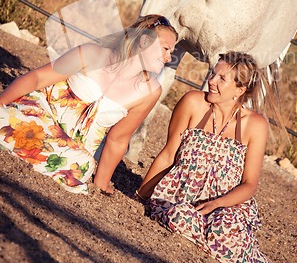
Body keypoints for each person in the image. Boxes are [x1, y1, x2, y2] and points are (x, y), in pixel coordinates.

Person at [136, 51, 290, 263]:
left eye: (221, 79)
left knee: (223, 229)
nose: (211, 81)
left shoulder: (255, 125)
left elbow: (249, 184)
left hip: (227, 202)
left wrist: (218, 204)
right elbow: (168, 153)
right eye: (213, 74)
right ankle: (242, 254)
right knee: (180, 218)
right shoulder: (193, 103)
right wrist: (142, 194)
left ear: (239, 90)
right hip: (182, 196)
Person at [0, 14, 177, 195]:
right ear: (145, 41)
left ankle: (22, 147)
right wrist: (1, 102)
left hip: (73, 148)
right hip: (40, 115)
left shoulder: (150, 91)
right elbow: (38, 78)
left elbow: (118, 139)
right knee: (14, 120)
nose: (169, 57)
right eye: (166, 48)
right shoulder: (92, 54)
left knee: (82, 166)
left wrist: (102, 181)